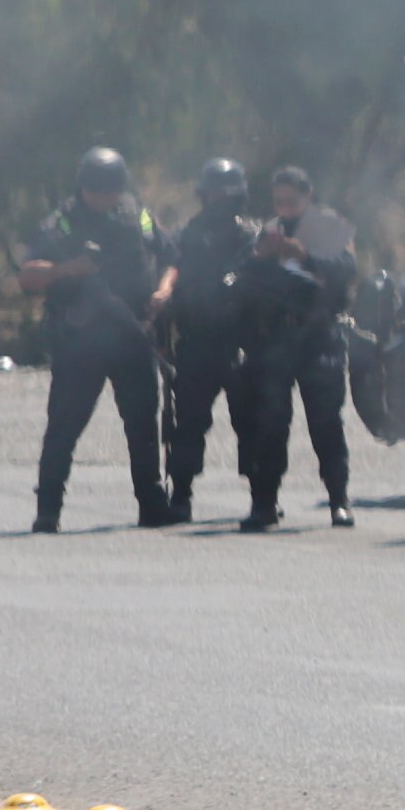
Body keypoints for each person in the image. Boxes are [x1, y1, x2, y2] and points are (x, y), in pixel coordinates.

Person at [15, 148, 178, 532]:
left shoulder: (137, 214)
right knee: (64, 427)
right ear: (84, 188)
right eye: (99, 191)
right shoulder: (64, 223)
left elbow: (170, 255)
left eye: (112, 191)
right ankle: (48, 509)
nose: (107, 198)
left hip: (133, 337)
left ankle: (152, 504)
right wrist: (68, 269)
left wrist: (165, 289)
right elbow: (27, 276)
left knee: (142, 424)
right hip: (81, 341)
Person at [235, 164, 357, 532]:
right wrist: (259, 258)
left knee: (325, 423)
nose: (285, 208)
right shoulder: (265, 232)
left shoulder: (328, 228)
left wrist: (303, 255)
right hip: (274, 341)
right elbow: (235, 279)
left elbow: (345, 272)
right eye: (279, 201)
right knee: (269, 424)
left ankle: (339, 500)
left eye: (292, 200)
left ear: (309, 197)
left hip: (317, 336)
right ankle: (264, 503)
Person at [161, 159, 264, 526]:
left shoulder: (250, 236)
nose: (220, 200)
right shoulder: (187, 235)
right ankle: (181, 495)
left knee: (252, 423)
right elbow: (170, 266)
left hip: (239, 342)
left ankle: (261, 497)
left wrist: (234, 282)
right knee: (187, 423)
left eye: (227, 193)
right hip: (197, 342)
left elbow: (255, 271)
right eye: (214, 193)